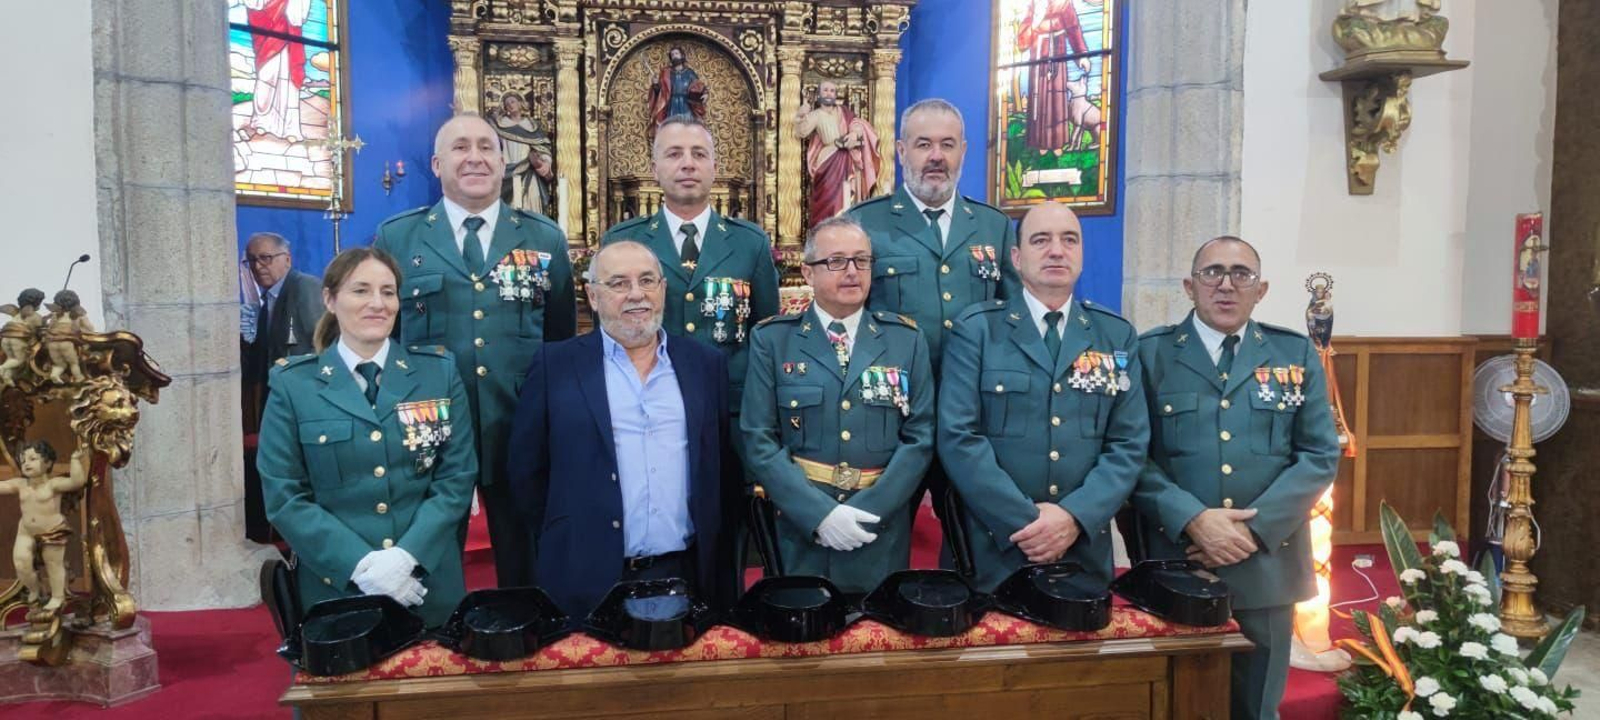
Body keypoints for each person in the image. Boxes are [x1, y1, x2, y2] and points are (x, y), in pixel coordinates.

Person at [1131, 236, 1340, 720]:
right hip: (1177, 557)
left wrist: (1250, 530)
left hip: (1266, 564)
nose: (1226, 285)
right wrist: (1194, 520)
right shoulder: (1151, 354)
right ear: (1189, 285)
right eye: (1212, 273)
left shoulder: (1293, 354)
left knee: (1256, 708)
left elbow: (1318, 454)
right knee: (1173, 702)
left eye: (1241, 274)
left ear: (1261, 289)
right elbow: (1129, 456)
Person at [374, 113, 576, 588]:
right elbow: (386, 337)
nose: (475, 157)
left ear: (504, 163)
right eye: (461, 147)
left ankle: (525, 637)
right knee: (430, 551)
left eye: (487, 147)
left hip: (519, 421)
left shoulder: (544, 237)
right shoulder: (398, 238)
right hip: (431, 423)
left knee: (525, 557)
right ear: (437, 163)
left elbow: (560, 340)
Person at [506, 241, 732, 617]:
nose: (636, 295)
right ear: (592, 296)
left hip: (687, 573)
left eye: (647, 281)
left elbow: (721, 467)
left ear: (662, 289)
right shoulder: (555, 365)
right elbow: (527, 470)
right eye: (618, 283)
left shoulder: (704, 365)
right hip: (584, 575)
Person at [257, 247, 477, 628]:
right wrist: (360, 566)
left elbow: (455, 481)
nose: (378, 303)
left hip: (425, 583)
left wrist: (405, 559)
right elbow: (284, 495)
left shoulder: (438, 374)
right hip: (338, 588)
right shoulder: (294, 385)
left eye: (388, 292)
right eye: (360, 290)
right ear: (329, 299)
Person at [937, 202, 1147, 592]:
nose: (1056, 250)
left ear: (1082, 253)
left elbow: (1129, 444)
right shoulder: (978, 330)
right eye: (1040, 240)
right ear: (1016, 257)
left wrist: (1072, 518)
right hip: (992, 551)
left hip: (1080, 549)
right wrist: (1027, 524)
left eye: (1070, 240)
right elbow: (959, 438)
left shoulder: (1115, 335)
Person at [848, 98, 1019, 530]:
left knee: (973, 536)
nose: (936, 156)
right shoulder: (865, 224)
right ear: (902, 152)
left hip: (973, 418)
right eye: (924, 144)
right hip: (892, 418)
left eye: (947, 144)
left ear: (964, 151)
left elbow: (1013, 319)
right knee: (883, 535)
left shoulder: (993, 226)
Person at [741, 217, 933, 595]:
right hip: (801, 533)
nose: (851, 272)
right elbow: (759, 439)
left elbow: (920, 437)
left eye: (862, 261)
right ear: (807, 273)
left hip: (879, 531)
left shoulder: (905, 340)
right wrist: (819, 515)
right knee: (801, 641)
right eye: (836, 261)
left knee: (879, 646)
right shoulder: (774, 340)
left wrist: (872, 511)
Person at [602, 115, 779, 419]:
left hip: (728, 407)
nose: (688, 164)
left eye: (699, 154)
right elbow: (606, 333)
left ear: (714, 168)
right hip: (644, 405)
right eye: (674, 154)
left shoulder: (750, 243)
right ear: (655, 169)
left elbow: (766, 335)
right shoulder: (623, 241)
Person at [0, 442, 87, 613]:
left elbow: (77, 482)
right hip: (26, 532)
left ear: (47, 463)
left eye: (32, 459)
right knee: (21, 563)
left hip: (52, 530)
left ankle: (57, 597)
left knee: (53, 564)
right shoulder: (20, 484)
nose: (26, 463)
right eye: (23, 460)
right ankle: (35, 589)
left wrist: (75, 460)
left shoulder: (53, 485)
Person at [794, 81, 881, 227]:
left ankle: (845, 228)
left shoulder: (843, 112)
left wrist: (854, 134)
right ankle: (824, 230)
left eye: (832, 91)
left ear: (836, 94)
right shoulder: (815, 115)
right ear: (819, 94)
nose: (829, 93)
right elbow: (801, 132)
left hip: (846, 159)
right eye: (825, 90)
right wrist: (801, 114)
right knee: (827, 196)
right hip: (827, 161)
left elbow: (857, 123)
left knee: (847, 195)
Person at [242, 0, 312, 142]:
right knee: (266, 75)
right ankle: (261, 120)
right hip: (267, 24)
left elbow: (299, 12)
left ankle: (290, 128)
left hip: (289, 27)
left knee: (289, 78)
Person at [490, 92, 556, 217]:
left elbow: (543, 148)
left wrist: (545, 162)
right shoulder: (500, 125)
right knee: (509, 208)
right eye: (507, 103)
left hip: (528, 172)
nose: (510, 105)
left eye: (513, 101)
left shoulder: (531, 126)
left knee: (531, 204)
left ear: (521, 103)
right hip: (507, 172)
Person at [649, 46, 707, 137]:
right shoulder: (666, 73)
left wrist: (705, 94)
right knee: (672, 127)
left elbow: (698, 86)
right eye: (672, 55)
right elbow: (660, 92)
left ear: (682, 55)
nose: (674, 56)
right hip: (672, 103)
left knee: (688, 127)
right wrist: (655, 84)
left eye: (676, 54)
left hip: (686, 104)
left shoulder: (689, 72)